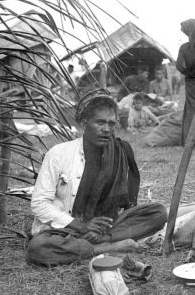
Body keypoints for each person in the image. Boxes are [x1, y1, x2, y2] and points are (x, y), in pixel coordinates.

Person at [27, 89, 167, 266]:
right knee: (38, 247)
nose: (106, 129)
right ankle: (104, 248)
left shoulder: (119, 152)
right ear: (85, 123)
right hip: (65, 228)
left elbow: (126, 205)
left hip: (105, 227)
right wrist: (81, 226)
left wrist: (102, 229)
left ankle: (102, 239)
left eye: (111, 123)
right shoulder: (58, 154)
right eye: (100, 123)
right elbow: (39, 204)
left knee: (158, 213)